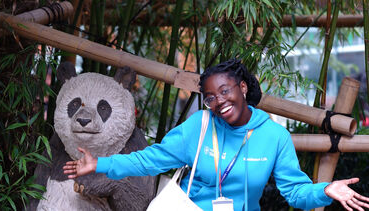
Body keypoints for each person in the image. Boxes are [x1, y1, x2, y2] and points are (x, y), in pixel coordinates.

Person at [64, 59, 369, 211]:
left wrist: (325, 191)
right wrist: (100, 164)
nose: (219, 102)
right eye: (210, 97)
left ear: (243, 88)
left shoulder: (274, 136)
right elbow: (150, 160)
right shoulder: (199, 125)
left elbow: (295, 193)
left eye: (225, 91)